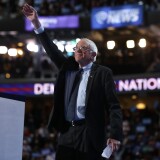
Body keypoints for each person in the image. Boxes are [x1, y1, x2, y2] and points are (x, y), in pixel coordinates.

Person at [22, 3, 123, 160]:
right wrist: (36, 23)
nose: (77, 51)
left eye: (82, 48)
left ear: (93, 54)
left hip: (90, 134)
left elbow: (114, 106)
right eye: (76, 48)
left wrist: (115, 134)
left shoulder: (103, 73)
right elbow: (51, 49)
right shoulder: (68, 68)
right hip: (67, 132)